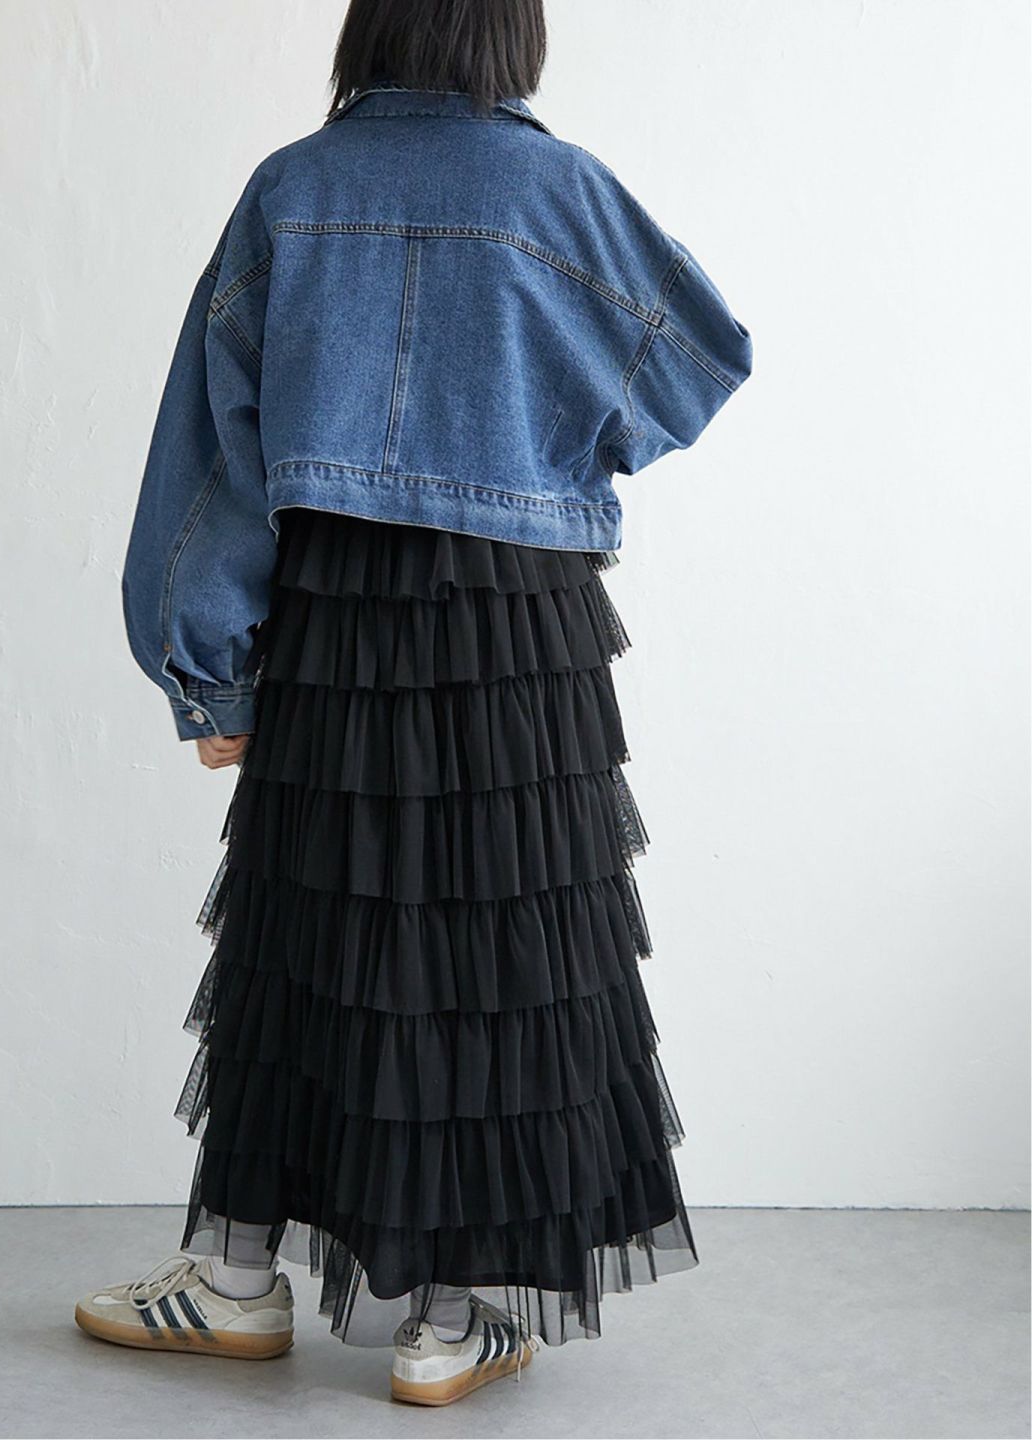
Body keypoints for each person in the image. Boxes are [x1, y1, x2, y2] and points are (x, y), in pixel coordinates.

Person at [75, 0, 751, 1406]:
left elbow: (210, 455)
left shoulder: (294, 190)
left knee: (306, 936)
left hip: (339, 618)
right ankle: (455, 1316)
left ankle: (236, 1278)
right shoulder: (559, 191)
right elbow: (697, 358)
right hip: (518, 621)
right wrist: (551, 432)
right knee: (500, 946)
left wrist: (208, 668)